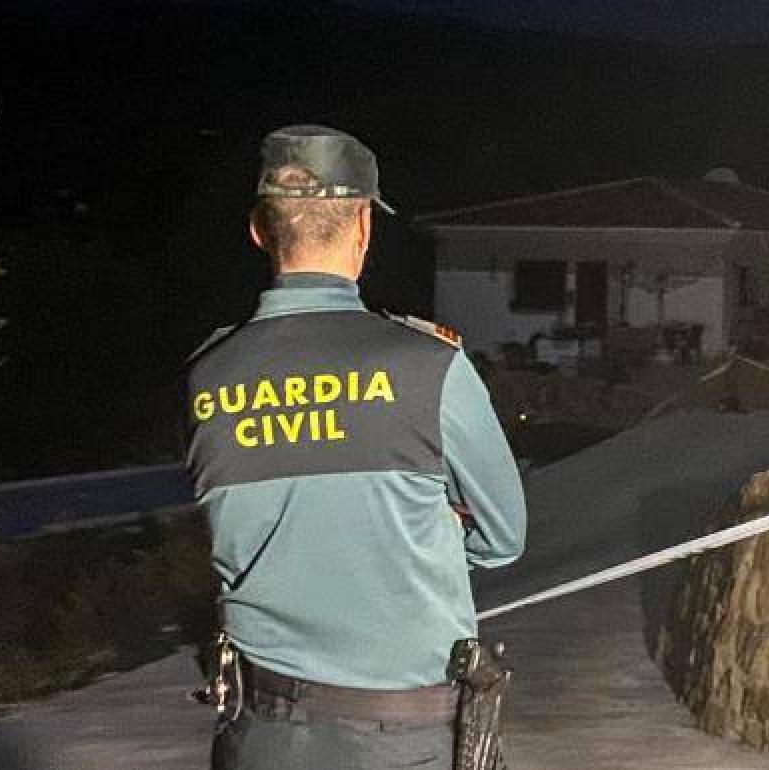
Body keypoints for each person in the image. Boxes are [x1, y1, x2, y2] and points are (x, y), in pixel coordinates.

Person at [183, 124, 527, 770]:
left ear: (259, 230)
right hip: (401, 737)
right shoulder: (429, 365)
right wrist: (424, 534)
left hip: (261, 733)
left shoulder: (208, 373)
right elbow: (502, 537)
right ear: (364, 226)